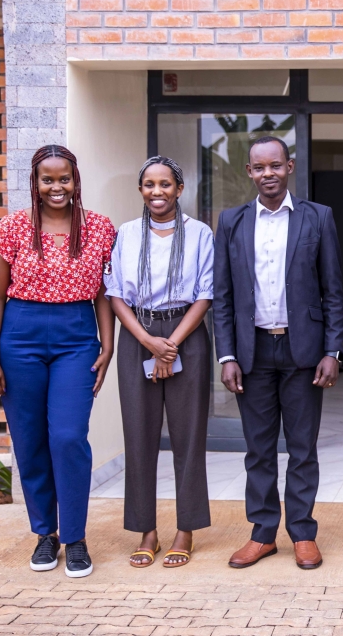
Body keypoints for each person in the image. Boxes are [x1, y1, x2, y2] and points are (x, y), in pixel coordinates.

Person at [0, 145, 116, 579]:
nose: (57, 187)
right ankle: (45, 534)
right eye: (48, 179)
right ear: (35, 183)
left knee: (68, 436)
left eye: (65, 179)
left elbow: (103, 293)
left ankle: (74, 538)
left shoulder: (98, 228)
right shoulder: (13, 228)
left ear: (76, 180)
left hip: (76, 338)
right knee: (30, 440)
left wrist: (107, 344)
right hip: (19, 336)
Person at [213, 136, 343, 571]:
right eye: (259, 167)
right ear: (250, 172)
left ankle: (304, 534)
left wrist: (333, 349)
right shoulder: (231, 222)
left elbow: (332, 289)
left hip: (303, 349)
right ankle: (263, 534)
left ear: (289, 166)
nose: (267, 173)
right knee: (259, 450)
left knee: (303, 448)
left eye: (275, 165)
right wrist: (227, 354)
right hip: (252, 352)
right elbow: (224, 296)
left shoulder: (318, 218)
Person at [105, 157, 214, 569]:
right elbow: (114, 292)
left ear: (179, 189)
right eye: (149, 184)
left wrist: (171, 345)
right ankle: (146, 530)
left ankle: (185, 528)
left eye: (165, 184)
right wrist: (150, 342)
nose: (157, 191)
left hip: (186, 334)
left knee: (188, 438)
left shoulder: (201, 235)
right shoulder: (126, 235)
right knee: (139, 437)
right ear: (140, 190)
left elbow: (205, 293)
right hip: (138, 335)